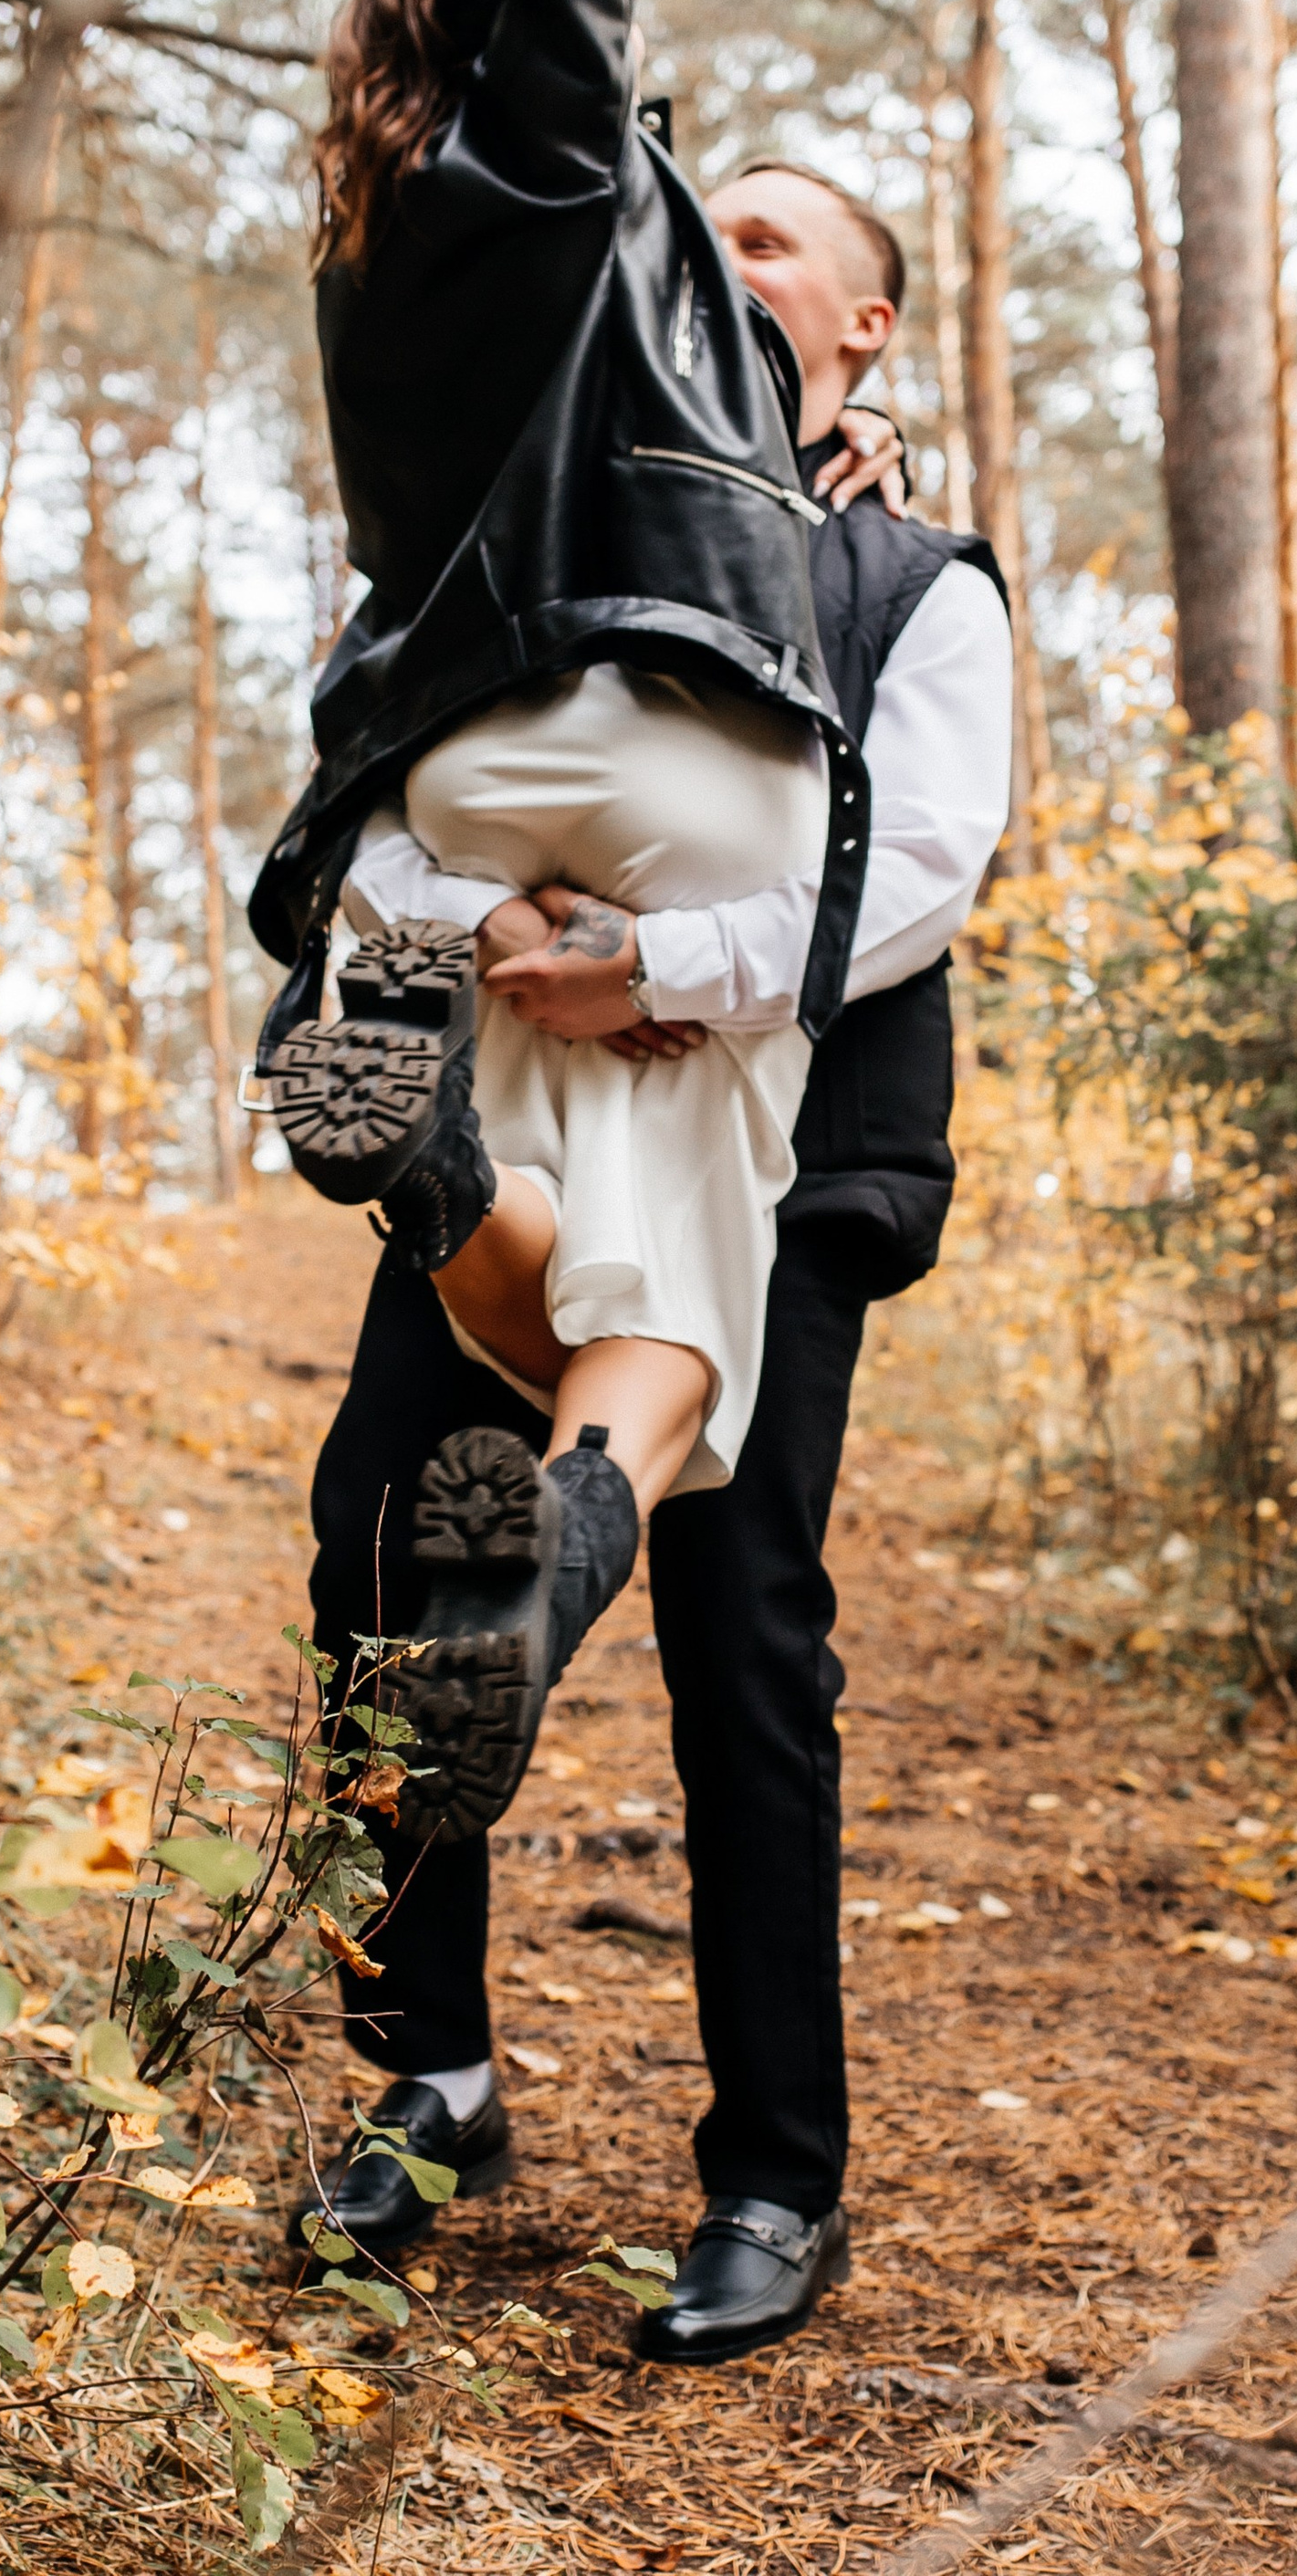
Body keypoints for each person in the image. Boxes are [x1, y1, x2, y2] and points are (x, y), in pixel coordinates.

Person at [249, 0, 898, 1857]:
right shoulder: (569, 145)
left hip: (475, 772)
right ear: (534, 7)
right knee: (694, 1287)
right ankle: (566, 1520)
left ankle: (441, 1207)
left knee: (526, 1264)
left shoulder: (374, 249)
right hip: (706, 757)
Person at [299, 156, 1014, 2367]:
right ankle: (428, 2079)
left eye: (780, 238)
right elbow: (393, 796)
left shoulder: (913, 581)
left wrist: (664, 965)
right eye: (719, 230)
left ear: (865, 330)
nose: (731, 255)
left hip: (780, 1153)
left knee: (741, 1640)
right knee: (367, 1560)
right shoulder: (534, 527)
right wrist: (483, 935)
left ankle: (774, 2174)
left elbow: (913, 866)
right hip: (506, 1116)